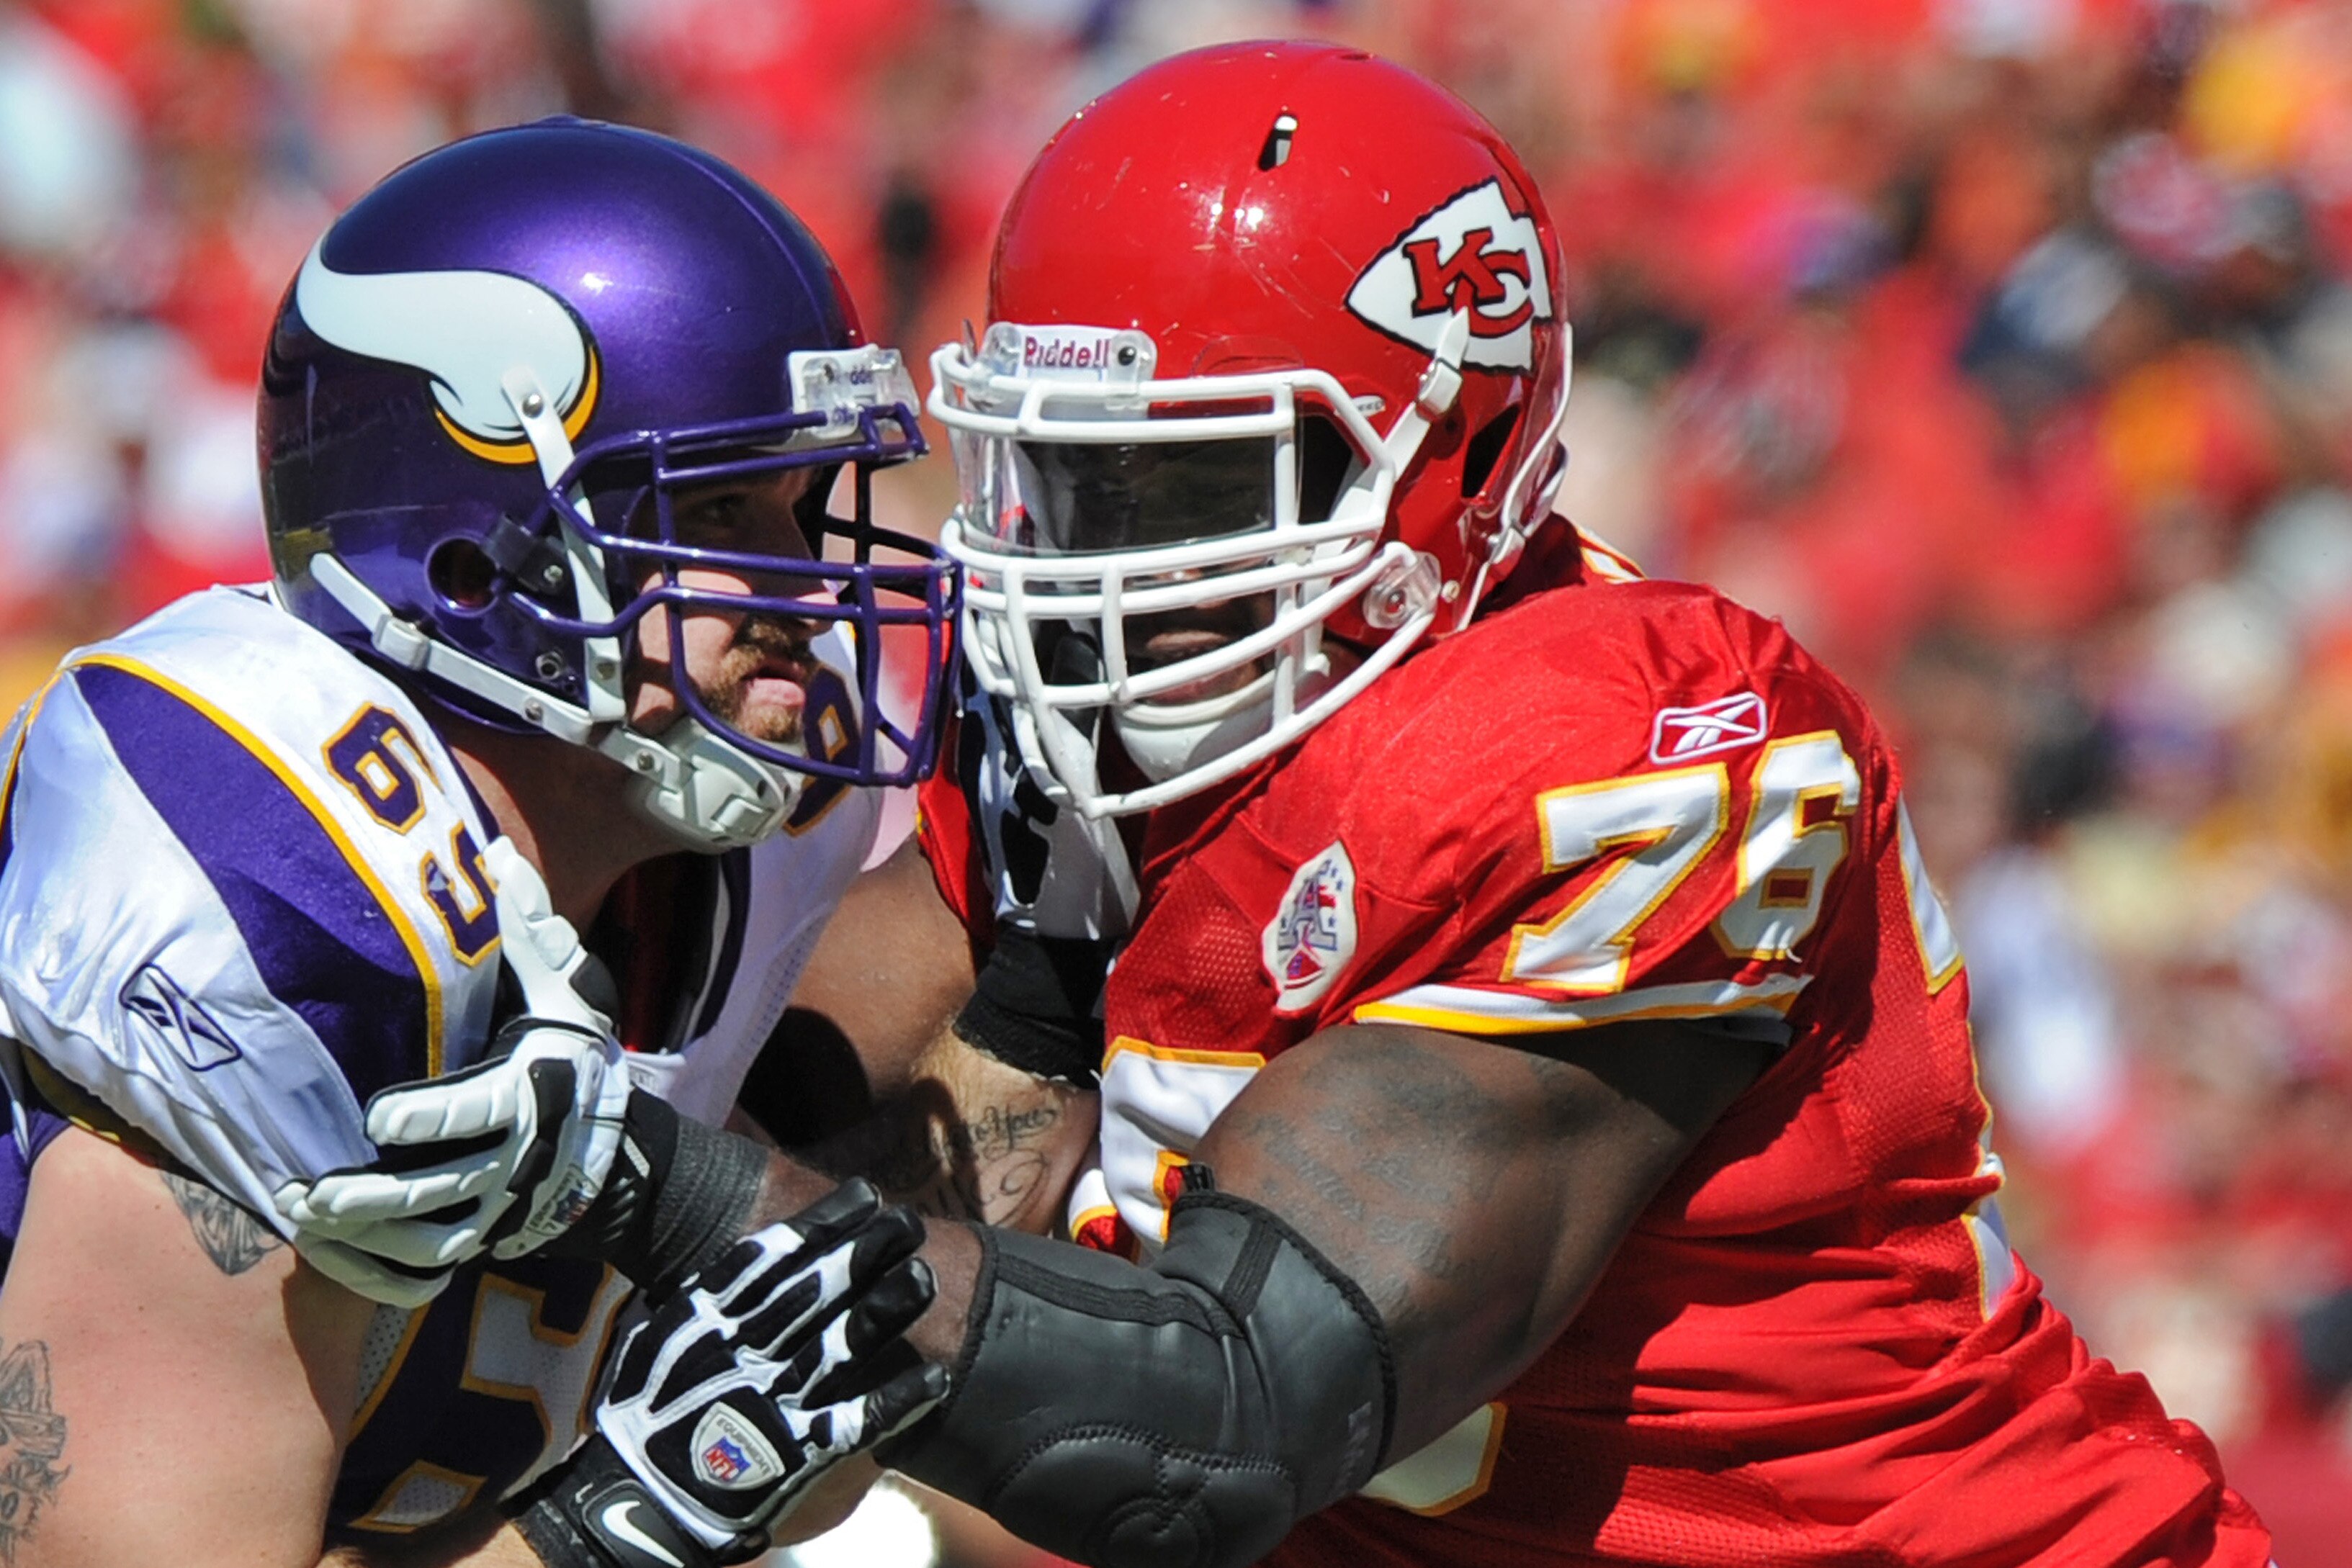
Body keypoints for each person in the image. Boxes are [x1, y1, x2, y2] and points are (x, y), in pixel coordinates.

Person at [311, 42, 2281, 1568]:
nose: (1092, 573)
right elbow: (900, 1160)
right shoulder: (1106, 722)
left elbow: (1224, 1421)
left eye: (1181, 493)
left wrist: (648, 1185)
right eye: (1060, 482)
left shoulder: (1635, 746)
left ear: (1455, 463)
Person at [0, 117, 956, 1568]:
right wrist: (627, 1525)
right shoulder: (286, 926)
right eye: (712, 510)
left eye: (799, 507)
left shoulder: (750, 842)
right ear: (466, 560)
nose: (810, 595)